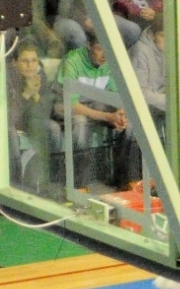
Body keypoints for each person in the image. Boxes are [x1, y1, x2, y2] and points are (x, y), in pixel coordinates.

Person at [52, 30, 135, 189]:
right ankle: (78, 185)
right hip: (65, 107)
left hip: (95, 104)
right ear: (89, 46)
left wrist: (120, 114)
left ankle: (120, 180)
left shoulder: (110, 61)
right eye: (99, 48)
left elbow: (117, 95)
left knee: (129, 124)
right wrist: (107, 116)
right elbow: (72, 104)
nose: (104, 55)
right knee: (80, 123)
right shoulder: (72, 61)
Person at [7, 40, 60, 191]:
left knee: (54, 128)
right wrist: (26, 93)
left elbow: (45, 112)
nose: (30, 65)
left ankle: (51, 178)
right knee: (10, 134)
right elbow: (9, 118)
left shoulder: (39, 74)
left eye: (34, 61)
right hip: (11, 122)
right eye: (25, 61)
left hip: (31, 119)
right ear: (15, 62)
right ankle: (15, 184)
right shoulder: (7, 77)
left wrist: (35, 95)